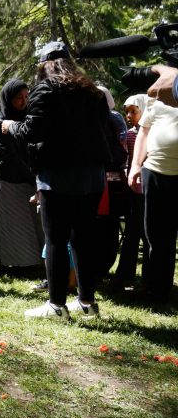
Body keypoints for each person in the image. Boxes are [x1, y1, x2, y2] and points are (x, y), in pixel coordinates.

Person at [2, 41, 109, 319]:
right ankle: (87, 302)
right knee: (83, 239)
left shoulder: (46, 89)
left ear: (43, 66)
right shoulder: (93, 92)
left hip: (58, 175)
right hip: (93, 174)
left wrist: (10, 126)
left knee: (57, 239)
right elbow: (102, 129)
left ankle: (57, 305)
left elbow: (32, 131)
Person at [0, 79, 43, 269]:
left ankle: (32, 262)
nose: (24, 101)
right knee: (10, 224)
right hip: (7, 178)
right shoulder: (0, 123)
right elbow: (11, 155)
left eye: (27, 97)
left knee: (29, 223)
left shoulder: (29, 119)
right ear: (8, 99)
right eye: (19, 98)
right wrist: (33, 177)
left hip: (28, 177)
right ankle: (10, 263)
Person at [127, 95, 178, 303]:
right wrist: (135, 165)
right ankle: (155, 289)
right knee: (155, 234)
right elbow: (144, 132)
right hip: (155, 171)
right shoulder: (154, 98)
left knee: (168, 235)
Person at [114, 94, 149, 288]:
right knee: (131, 232)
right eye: (126, 112)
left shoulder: (151, 133)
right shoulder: (128, 134)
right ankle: (124, 274)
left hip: (147, 189)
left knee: (147, 233)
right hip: (132, 188)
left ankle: (148, 277)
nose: (129, 116)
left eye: (133, 111)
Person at [94, 86, 129, 279]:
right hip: (96, 180)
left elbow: (121, 150)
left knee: (108, 225)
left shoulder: (114, 119)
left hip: (110, 182)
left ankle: (102, 267)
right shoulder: (86, 120)